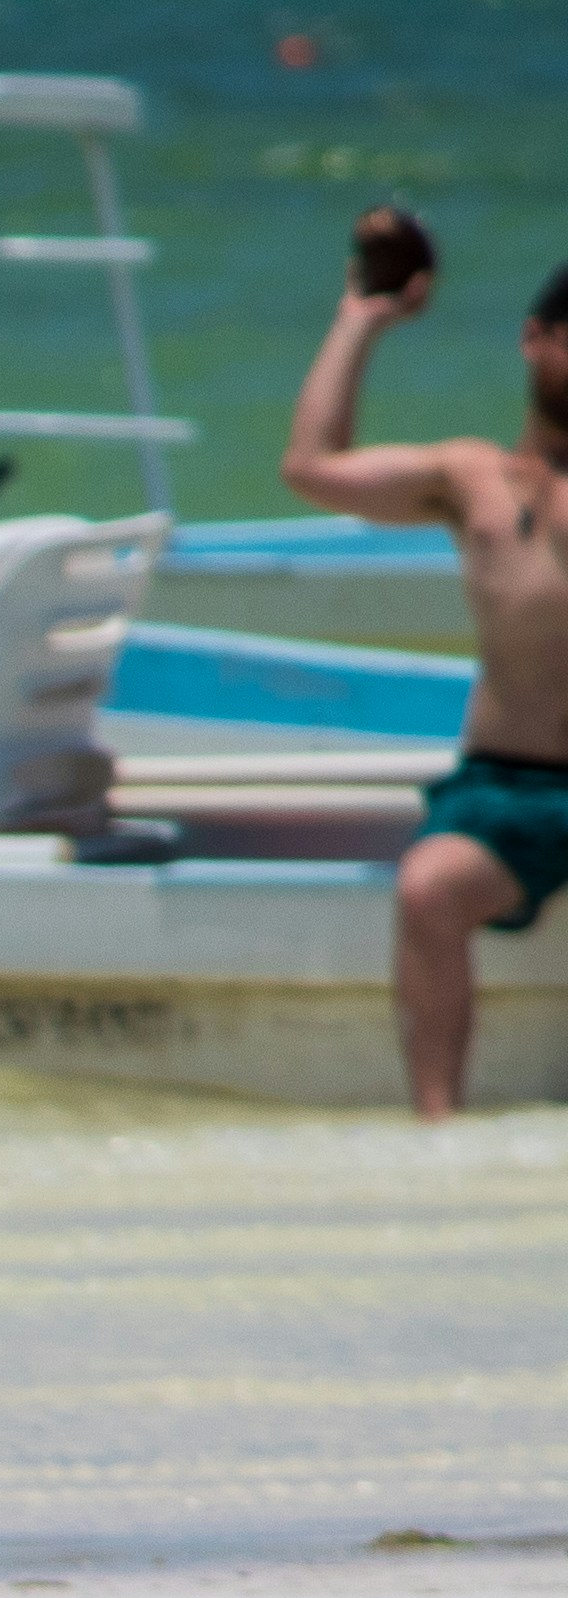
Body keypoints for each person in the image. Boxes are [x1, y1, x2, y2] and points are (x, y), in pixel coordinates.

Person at [279, 217, 568, 1116]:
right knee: (428, 888)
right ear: (536, 338)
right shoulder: (471, 477)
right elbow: (312, 468)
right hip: (502, 787)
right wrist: (360, 321)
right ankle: (436, 1126)